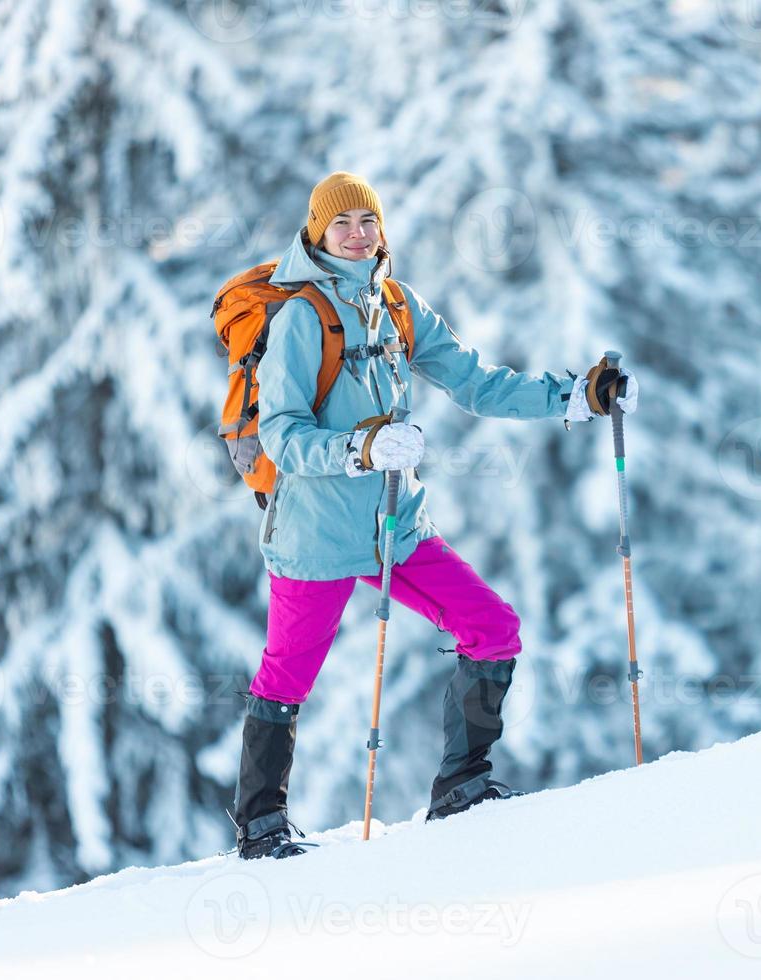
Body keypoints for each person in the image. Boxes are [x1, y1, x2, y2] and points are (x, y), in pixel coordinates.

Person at [232, 172, 638, 859]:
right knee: (287, 676)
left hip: (397, 525)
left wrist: (575, 397)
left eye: (368, 220)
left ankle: (462, 784)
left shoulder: (396, 304)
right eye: (342, 224)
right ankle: (260, 823)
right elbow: (282, 436)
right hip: (315, 532)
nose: (358, 234)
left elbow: (478, 381)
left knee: (492, 629)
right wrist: (361, 447)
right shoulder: (302, 316)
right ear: (317, 232)